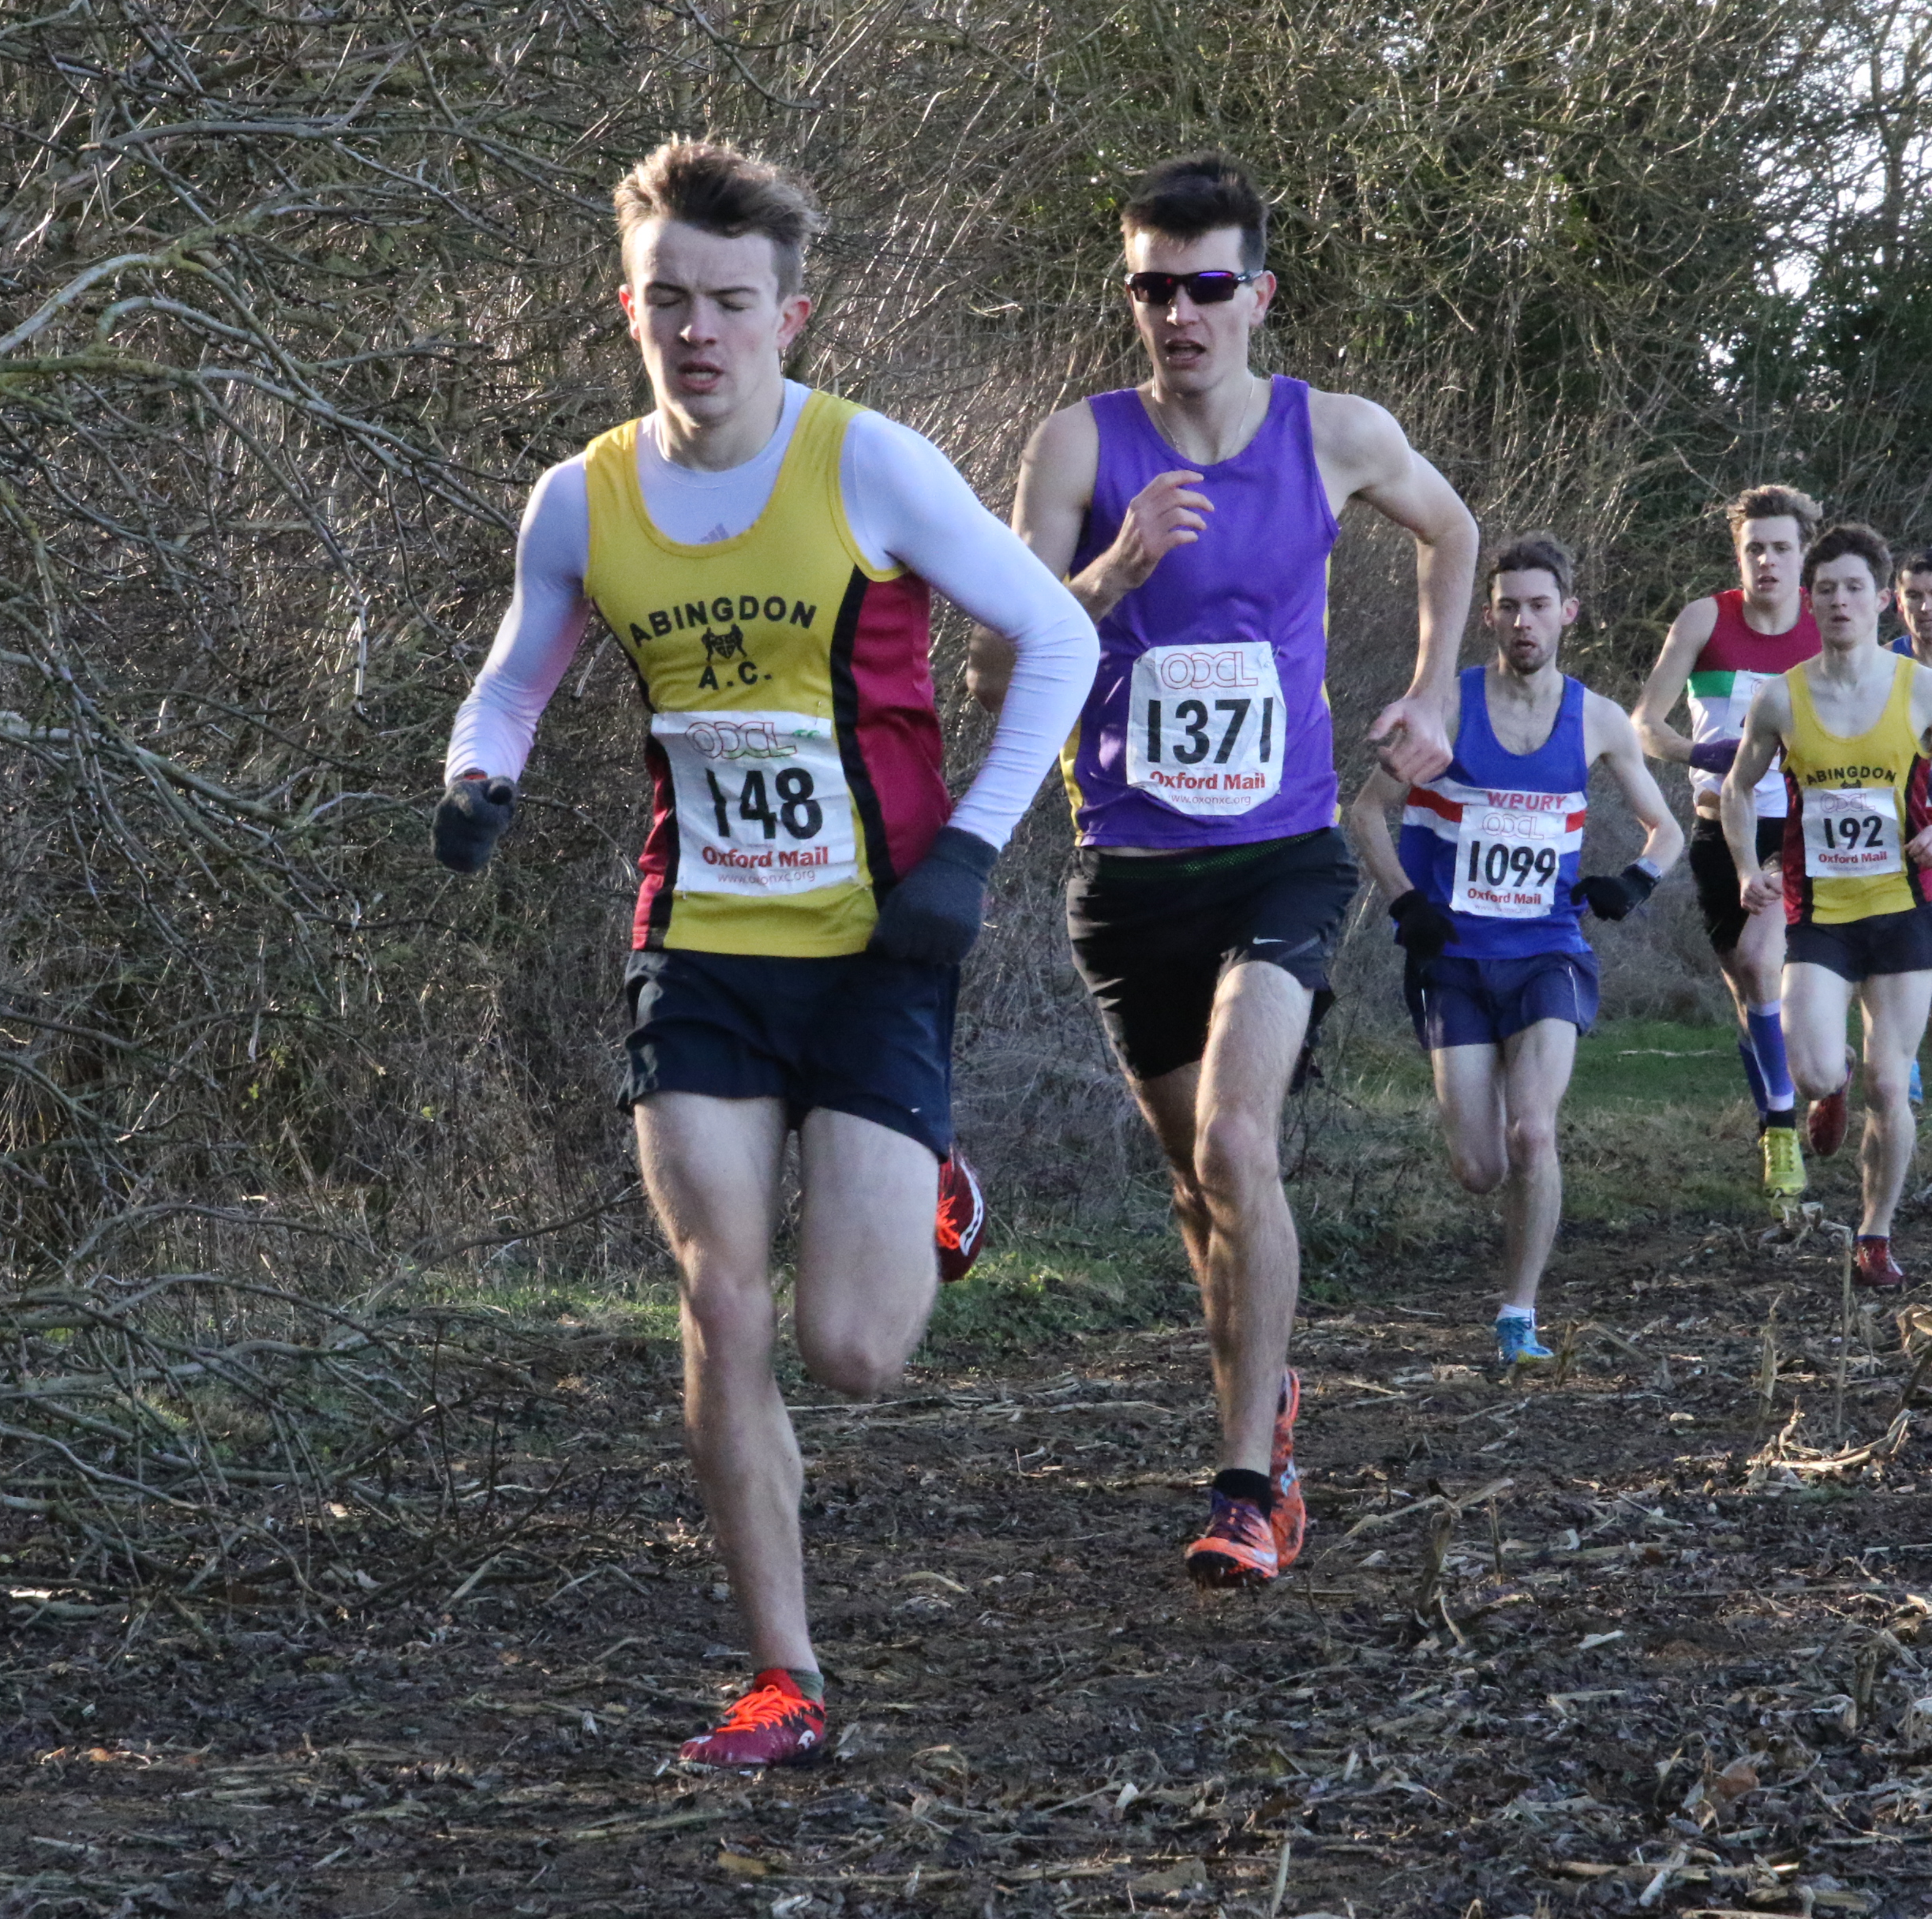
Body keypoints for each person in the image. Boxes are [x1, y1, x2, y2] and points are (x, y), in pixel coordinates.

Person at [437, 140, 1099, 1767]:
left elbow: (1059, 634)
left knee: (851, 1352)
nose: (698, 331)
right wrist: (477, 777)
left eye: (731, 302)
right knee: (720, 1301)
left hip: (879, 943)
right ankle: (781, 1680)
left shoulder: (868, 466)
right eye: (667, 300)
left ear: (787, 317)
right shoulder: (581, 499)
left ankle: (934, 1188)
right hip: (701, 943)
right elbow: (515, 679)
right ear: (628, 308)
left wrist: (970, 851)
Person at [1003, 152, 1479, 1588]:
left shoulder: (1333, 433)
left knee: (1233, 1143)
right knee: (1195, 1184)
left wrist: (1432, 691)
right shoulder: (1076, 449)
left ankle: (1249, 1487)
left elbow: (1452, 528)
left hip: (1282, 854)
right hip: (1126, 871)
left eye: (1206, 286)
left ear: (1258, 295)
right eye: (1151, 288)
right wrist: (1112, 574)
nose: (1179, 314)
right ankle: (1259, 1388)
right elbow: (999, 658)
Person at [1345, 536, 1682, 1367]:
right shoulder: (1448, 709)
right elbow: (1366, 811)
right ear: (1488, 617)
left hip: (1547, 952)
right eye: (1508, 607)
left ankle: (1518, 1315)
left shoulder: (1598, 719)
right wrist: (1407, 902)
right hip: (1454, 959)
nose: (1523, 621)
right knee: (1480, 1168)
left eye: (1538, 606)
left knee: (1534, 1133)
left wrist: (1634, 882)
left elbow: (1667, 829)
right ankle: (1493, 1100)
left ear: (1568, 613)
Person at [1724, 524, 1932, 1290]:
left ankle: (1875, 1233)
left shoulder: (1924, 689)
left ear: (1880, 600)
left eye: (1853, 588)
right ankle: (1833, 1081)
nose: (1839, 601)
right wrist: (1745, 867)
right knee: (1813, 1069)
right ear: (1808, 601)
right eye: (1826, 589)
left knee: (1891, 1083)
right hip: (1820, 913)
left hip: (1902, 908)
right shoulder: (1782, 696)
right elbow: (1738, 788)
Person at [1632, 486, 1823, 1202]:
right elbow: (1644, 724)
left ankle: (1782, 1129)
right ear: (1738, 555)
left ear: (1803, 554)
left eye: (1781, 548)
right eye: (1755, 549)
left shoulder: (1824, 626)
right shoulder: (1704, 619)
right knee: (1748, 995)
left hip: (1799, 828)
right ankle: (1809, 1085)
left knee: (1760, 961)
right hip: (1720, 825)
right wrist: (1698, 753)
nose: (1767, 561)